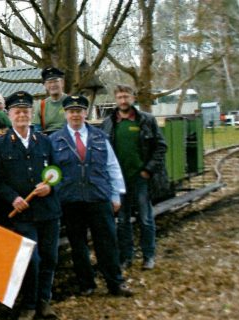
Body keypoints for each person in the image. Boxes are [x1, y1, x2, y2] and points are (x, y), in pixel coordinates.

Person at [49, 95, 133, 297]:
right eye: (71, 111)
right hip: (71, 200)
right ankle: (86, 284)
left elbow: (112, 166)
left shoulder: (99, 136)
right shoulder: (54, 140)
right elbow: (50, 172)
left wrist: (115, 195)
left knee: (107, 243)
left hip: (98, 197)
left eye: (79, 111)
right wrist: (59, 193)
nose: (75, 115)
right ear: (65, 113)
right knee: (78, 246)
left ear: (85, 113)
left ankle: (116, 283)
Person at [0, 91, 61, 320]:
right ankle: (29, 305)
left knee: (49, 258)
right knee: (32, 260)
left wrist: (50, 188)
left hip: (48, 211)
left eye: (26, 111)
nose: (22, 115)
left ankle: (44, 301)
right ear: (9, 114)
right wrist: (13, 198)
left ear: (32, 114)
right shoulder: (0, 145)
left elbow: (57, 173)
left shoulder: (45, 141)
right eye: (17, 111)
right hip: (23, 214)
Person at [100, 84, 167, 270]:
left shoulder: (146, 120)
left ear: (133, 98)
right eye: (120, 97)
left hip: (141, 178)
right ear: (116, 99)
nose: (123, 100)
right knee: (122, 222)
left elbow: (161, 147)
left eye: (126, 96)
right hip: (118, 182)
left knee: (145, 219)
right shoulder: (109, 123)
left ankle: (148, 256)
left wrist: (148, 170)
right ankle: (126, 258)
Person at [33, 67, 68, 134]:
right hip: (48, 139)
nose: (53, 85)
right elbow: (37, 129)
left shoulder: (70, 101)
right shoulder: (42, 105)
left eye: (55, 81)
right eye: (49, 82)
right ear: (45, 85)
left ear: (62, 83)